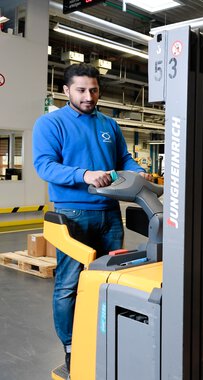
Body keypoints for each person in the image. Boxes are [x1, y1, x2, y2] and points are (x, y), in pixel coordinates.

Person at [32, 63, 152, 372]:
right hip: (73, 215)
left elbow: (123, 157)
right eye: (82, 90)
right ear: (66, 90)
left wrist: (136, 169)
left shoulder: (108, 124)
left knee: (111, 277)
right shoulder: (51, 124)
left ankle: (102, 338)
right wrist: (84, 174)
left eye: (94, 90)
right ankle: (72, 345)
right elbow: (44, 165)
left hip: (111, 213)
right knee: (70, 283)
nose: (89, 96)